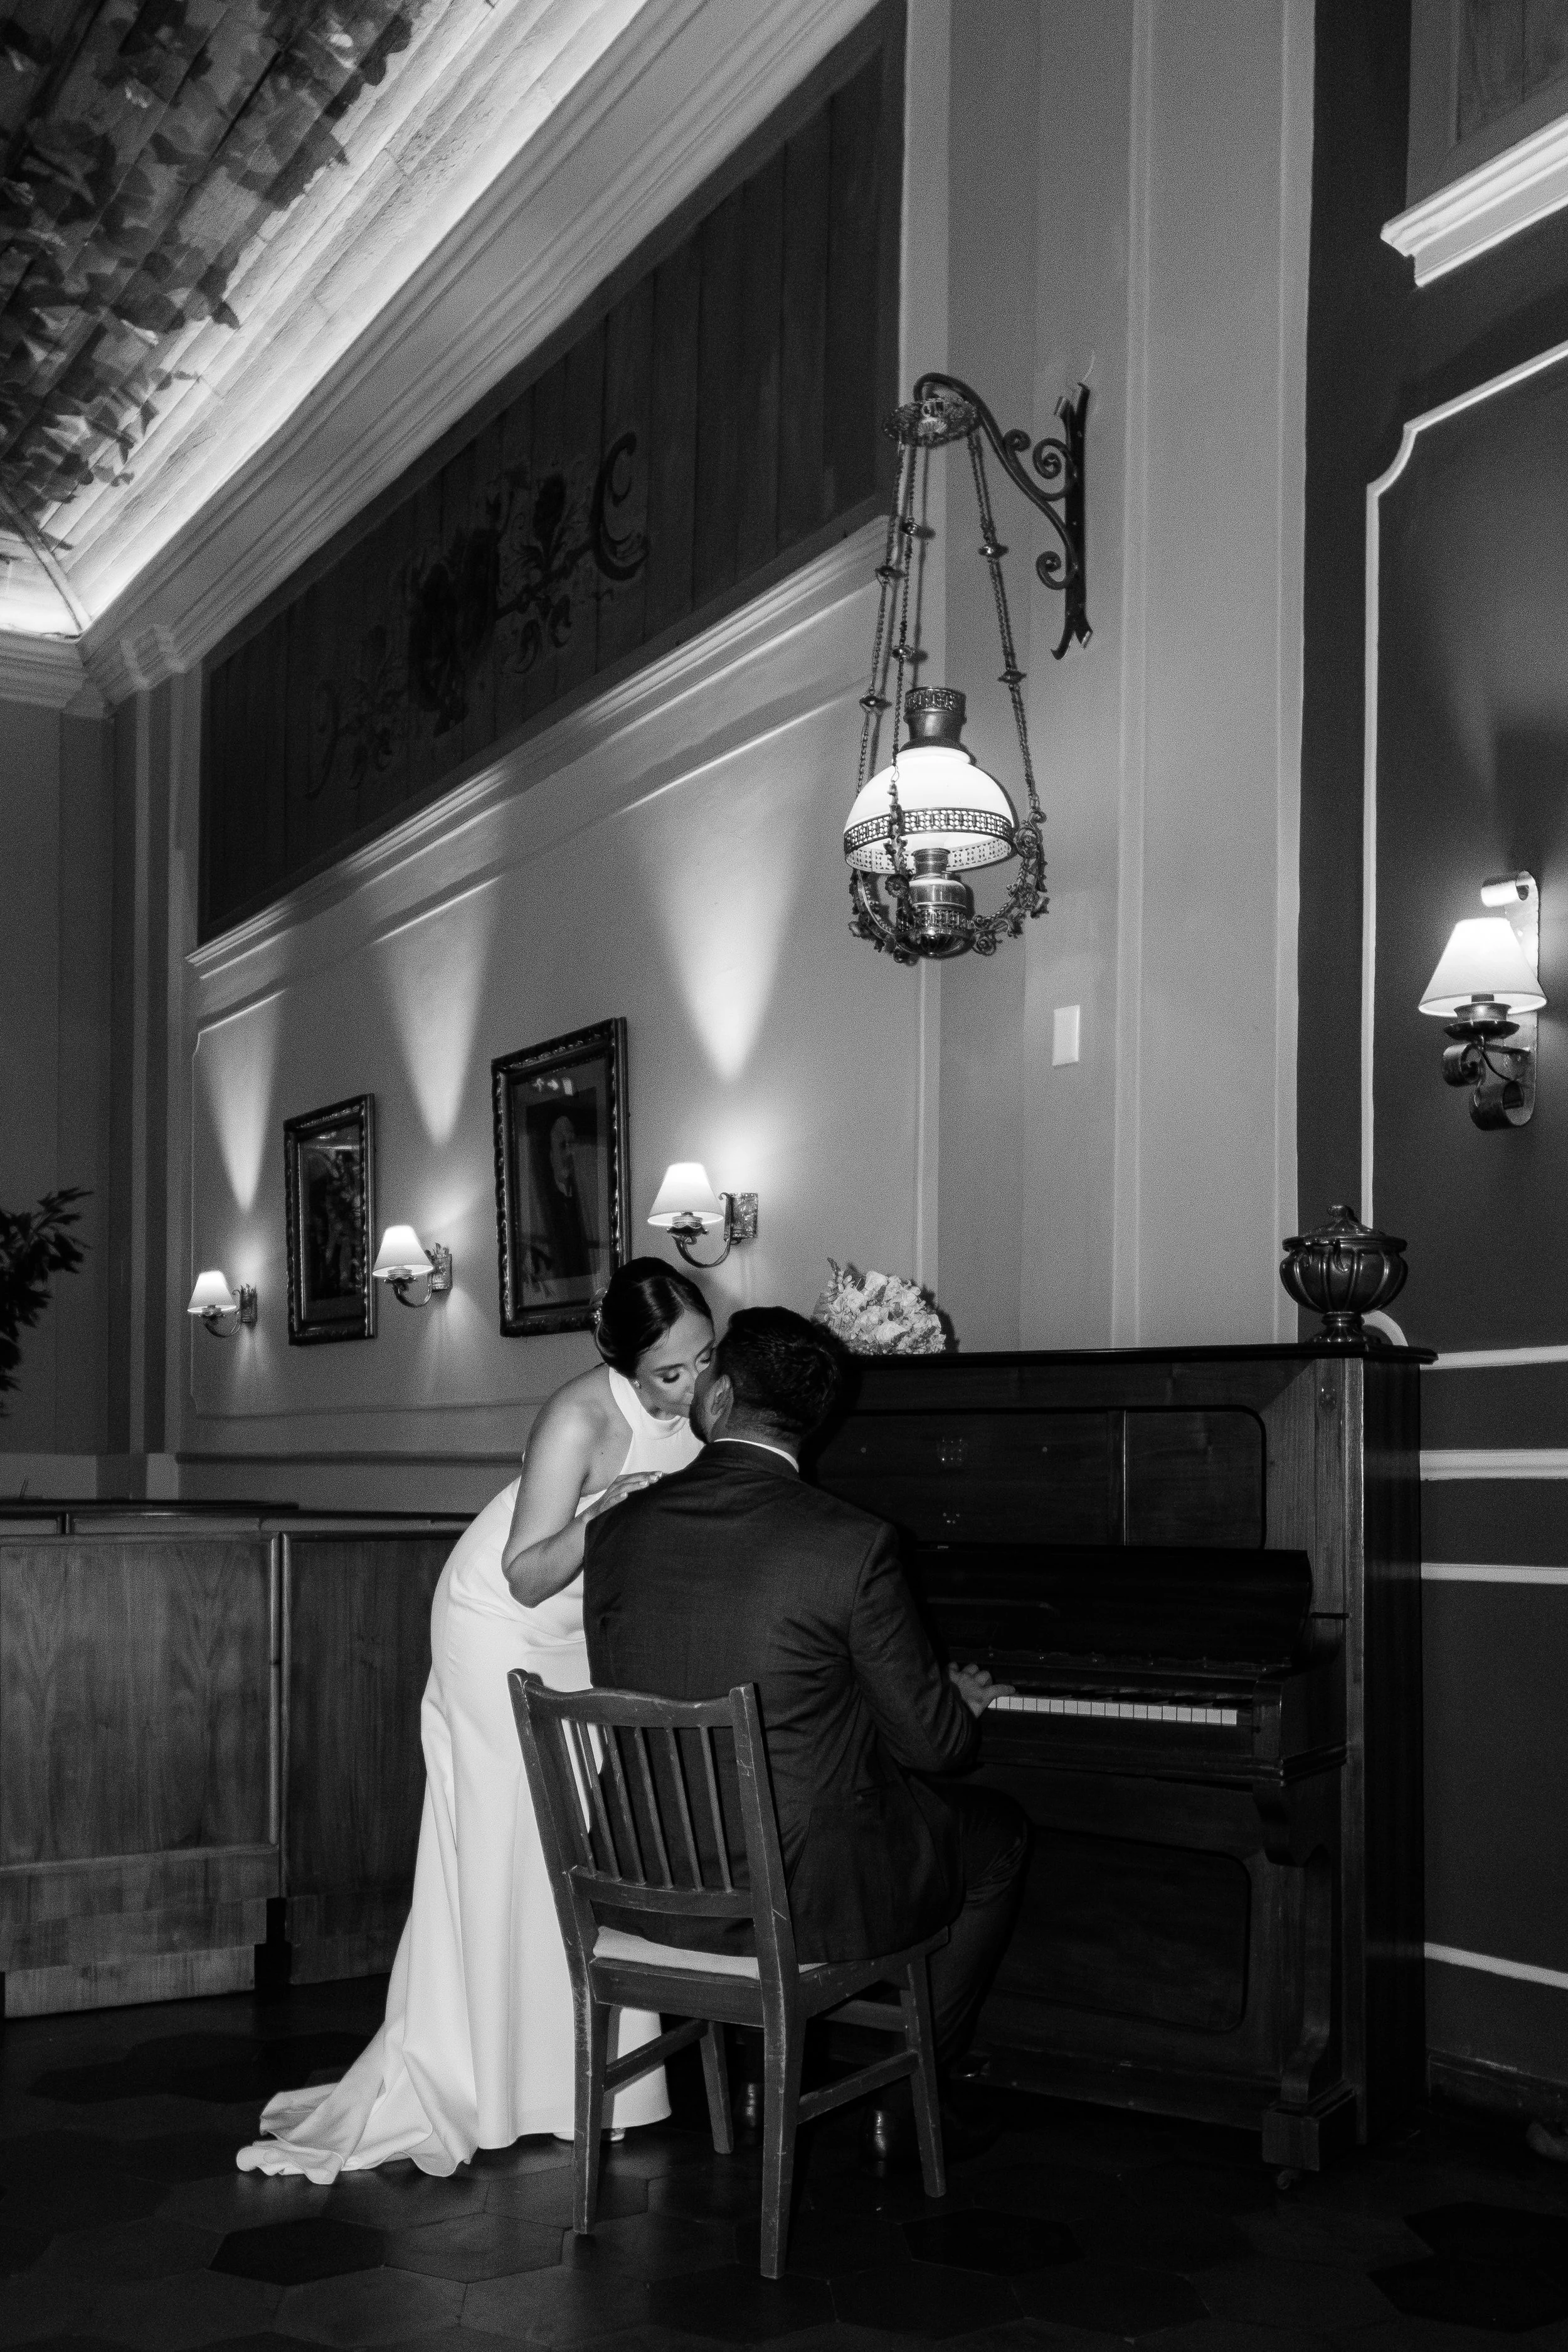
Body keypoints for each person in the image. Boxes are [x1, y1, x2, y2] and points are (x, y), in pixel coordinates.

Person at [236, 1257, 714, 2183]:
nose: (693, 1386)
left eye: (703, 1360)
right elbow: (526, 1570)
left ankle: (582, 2082)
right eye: (670, 1373)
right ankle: (486, 2084)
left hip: (584, 1635)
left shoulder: (702, 1398)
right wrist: (612, 1507)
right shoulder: (578, 1417)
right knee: (509, 1843)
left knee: (578, 1845)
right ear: (620, 1362)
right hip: (500, 1626)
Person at [583, 1305, 1029, 2165]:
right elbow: (938, 1749)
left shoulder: (617, 1527)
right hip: (789, 1902)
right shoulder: (851, 1545)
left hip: (640, 1878)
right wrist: (948, 1700)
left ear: (715, 1399)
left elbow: (665, 1686)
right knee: (998, 1833)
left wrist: (836, 1699)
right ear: (814, 1423)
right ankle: (910, 2089)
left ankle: (759, 2074)